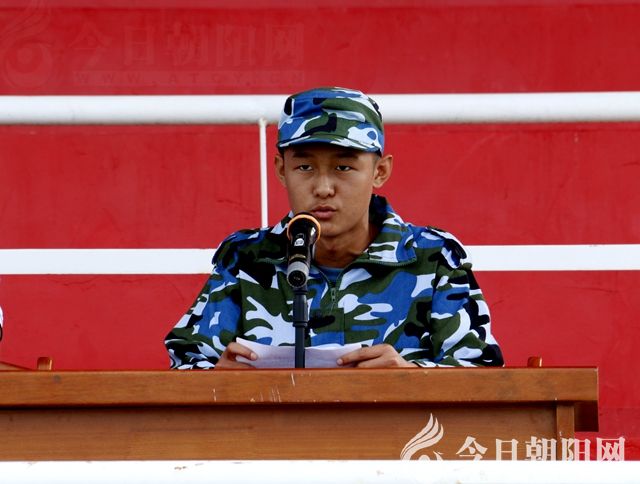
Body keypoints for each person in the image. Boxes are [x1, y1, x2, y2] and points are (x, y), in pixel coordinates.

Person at [165, 86, 503, 369]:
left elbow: (482, 371)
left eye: (343, 167)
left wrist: (410, 376)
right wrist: (217, 378)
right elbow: (185, 363)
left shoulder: (432, 256)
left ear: (380, 172)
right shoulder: (246, 257)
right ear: (281, 170)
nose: (323, 188)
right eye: (304, 167)